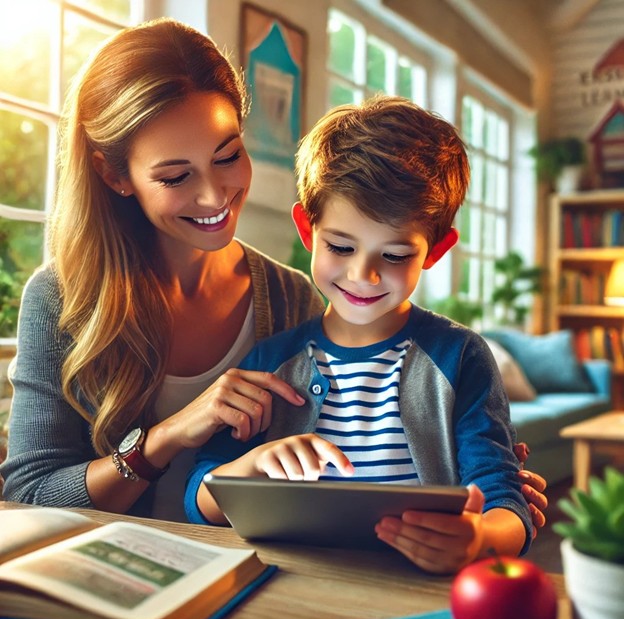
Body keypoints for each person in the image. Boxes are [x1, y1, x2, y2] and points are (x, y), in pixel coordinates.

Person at [0, 18, 545, 527]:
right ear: (115, 175)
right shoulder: (60, 299)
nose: (215, 195)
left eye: (228, 155)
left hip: (254, 577)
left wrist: (482, 492)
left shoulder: (291, 297)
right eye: (174, 176)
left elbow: (338, 475)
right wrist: (167, 437)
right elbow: (28, 497)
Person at [186, 95, 542, 573]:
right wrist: (251, 467)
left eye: (394, 256)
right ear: (308, 232)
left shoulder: (460, 358)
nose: (364, 276)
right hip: (290, 591)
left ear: (435, 251)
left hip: (414, 594)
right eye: (340, 246)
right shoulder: (270, 363)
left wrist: (479, 538)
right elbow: (199, 501)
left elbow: (507, 502)